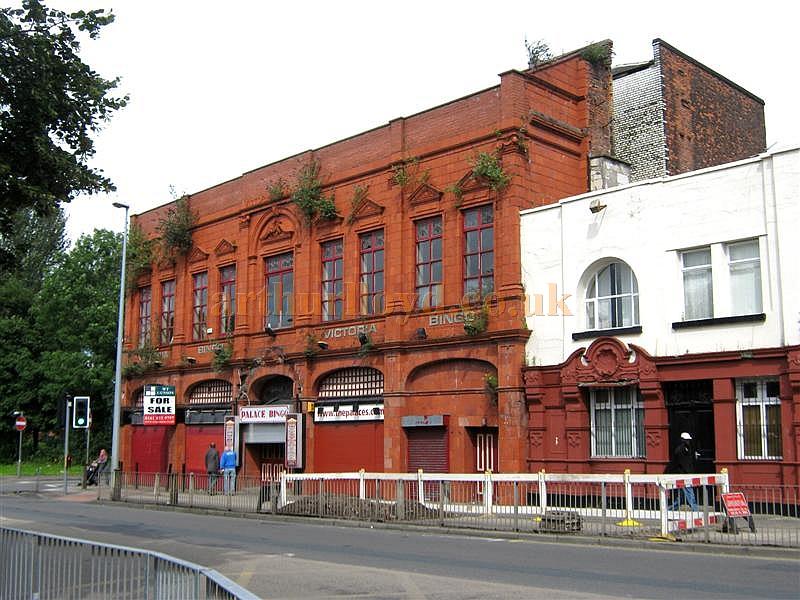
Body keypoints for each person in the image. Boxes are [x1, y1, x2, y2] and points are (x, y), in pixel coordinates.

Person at [668, 432, 700, 511]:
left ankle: (670, 509)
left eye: (688, 440)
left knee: (681, 496)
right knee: (689, 492)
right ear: (682, 440)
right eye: (686, 440)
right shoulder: (680, 450)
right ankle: (695, 510)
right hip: (683, 474)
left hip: (686, 474)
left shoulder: (688, 449)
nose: (688, 442)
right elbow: (684, 464)